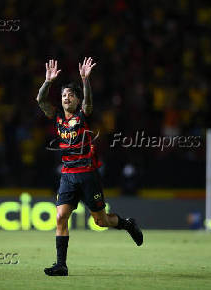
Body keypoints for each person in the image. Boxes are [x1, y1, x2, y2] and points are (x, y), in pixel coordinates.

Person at [36, 58, 143, 276]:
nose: (66, 98)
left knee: (101, 221)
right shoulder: (56, 115)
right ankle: (61, 265)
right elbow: (40, 100)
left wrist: (85, 80)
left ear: (77, 100)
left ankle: (127, 224)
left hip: (87, 174)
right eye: (64, 95)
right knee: (60, 217)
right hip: (67, 175)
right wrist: (48, 82)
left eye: (71, 95)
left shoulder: (82, 115)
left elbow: (89, 104)